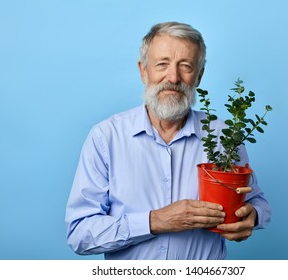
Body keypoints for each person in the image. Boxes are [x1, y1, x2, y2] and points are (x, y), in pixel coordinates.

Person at [65, 21, 271, 260]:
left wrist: (251, 216)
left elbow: (257, 201)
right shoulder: (105, 137)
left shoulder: (224, 136)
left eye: (185, 66)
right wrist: (155, 221)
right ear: (144, 71)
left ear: (199, 76)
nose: (173, 77)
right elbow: (79, 234)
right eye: (162, 64)